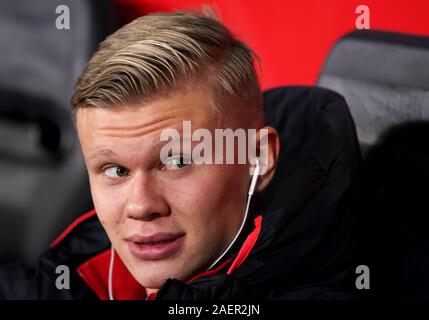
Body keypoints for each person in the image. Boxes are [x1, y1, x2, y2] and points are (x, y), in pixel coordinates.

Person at [0, 9, 358, 300]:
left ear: (258, 159)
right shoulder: (82, 272)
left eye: (178, 161)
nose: (140, 206)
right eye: (115, 170)